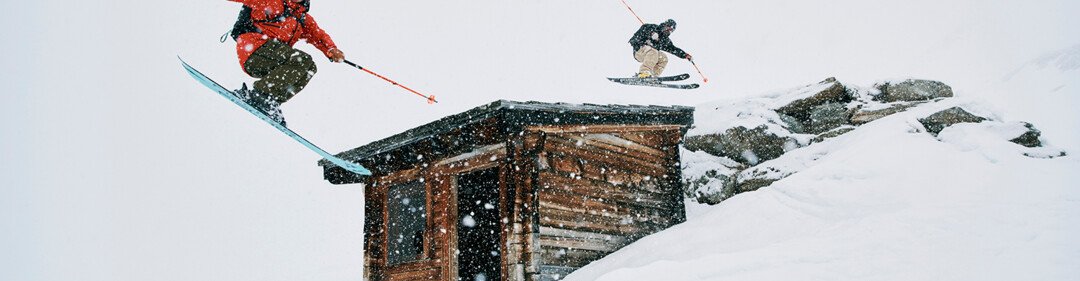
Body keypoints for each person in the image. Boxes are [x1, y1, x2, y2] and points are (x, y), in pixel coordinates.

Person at [226, 0, 345, 126]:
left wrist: (331, 49)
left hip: (271, 61)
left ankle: (271, 101)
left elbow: (318, 35)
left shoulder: (302, 18)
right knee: (302, 60)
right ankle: (260, 95)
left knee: (310, 68)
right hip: (254, 50)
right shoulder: (273, 2)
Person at [628, 19, 692, 79]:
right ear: (665, 25)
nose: (668, 31)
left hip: (651, 56)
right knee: (653, 51)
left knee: (663, 58)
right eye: (668, 28)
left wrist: (684, 55)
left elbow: (673, 49)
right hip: (639, 51)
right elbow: (634, 38)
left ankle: (652, 76)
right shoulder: (651, 27)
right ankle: (643, 73)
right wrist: (650, 34)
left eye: (671, 30)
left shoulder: (664, 40)